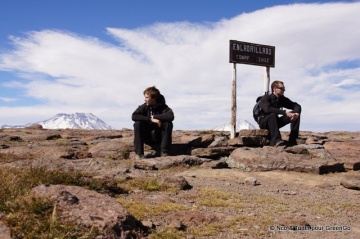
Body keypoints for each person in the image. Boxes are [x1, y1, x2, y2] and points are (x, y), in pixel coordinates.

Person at [132, 86, 174, 159]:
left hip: (159, 138)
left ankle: (164, 152)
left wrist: (155, 117)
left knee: (168, 123)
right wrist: (150, 119)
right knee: (138, 123)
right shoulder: (144, 106)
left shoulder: (163, 107)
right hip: (148, 137)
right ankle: (139, 154)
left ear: (154, 98)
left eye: (147, 97)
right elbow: (134, 116)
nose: (145, 99)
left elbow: (170, 116)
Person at [257, 80, 301, 147]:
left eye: (284, 88)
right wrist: (284, 112)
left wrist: (296, 114)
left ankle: (293, 140)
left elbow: (296, 105)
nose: (284, 90)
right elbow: (268, 109)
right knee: (273, 115)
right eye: (282, 88)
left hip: (275, 122)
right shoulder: (266, 98)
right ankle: (276, 140)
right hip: (264, 123)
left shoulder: (282, 99)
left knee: (294, 114)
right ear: (274, 89)